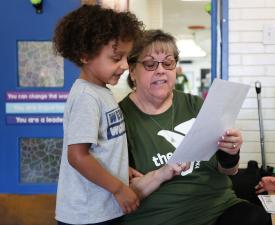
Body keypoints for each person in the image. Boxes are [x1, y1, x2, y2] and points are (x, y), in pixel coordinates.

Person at [117, 29, 272, 225]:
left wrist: (230, 153)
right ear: (132, 71)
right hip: (162, 216)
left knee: (257, 219)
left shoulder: (195, 105)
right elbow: (122, 197)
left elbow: (228, 171)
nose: (161, 70)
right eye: (150, 64)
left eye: (168, 63)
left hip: (218, 206)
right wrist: (160, 174)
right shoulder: (119, 117)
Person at [52, 4, 145, 225]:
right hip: (86, 215)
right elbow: (77, 156)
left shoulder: (101, 91)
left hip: (103, 210)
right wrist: (119, 187)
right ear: (85, 55)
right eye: (116, 58)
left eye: (126, 57)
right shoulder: (86, 97)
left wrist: (121, 169)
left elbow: (102, 147)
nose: (124, 65)